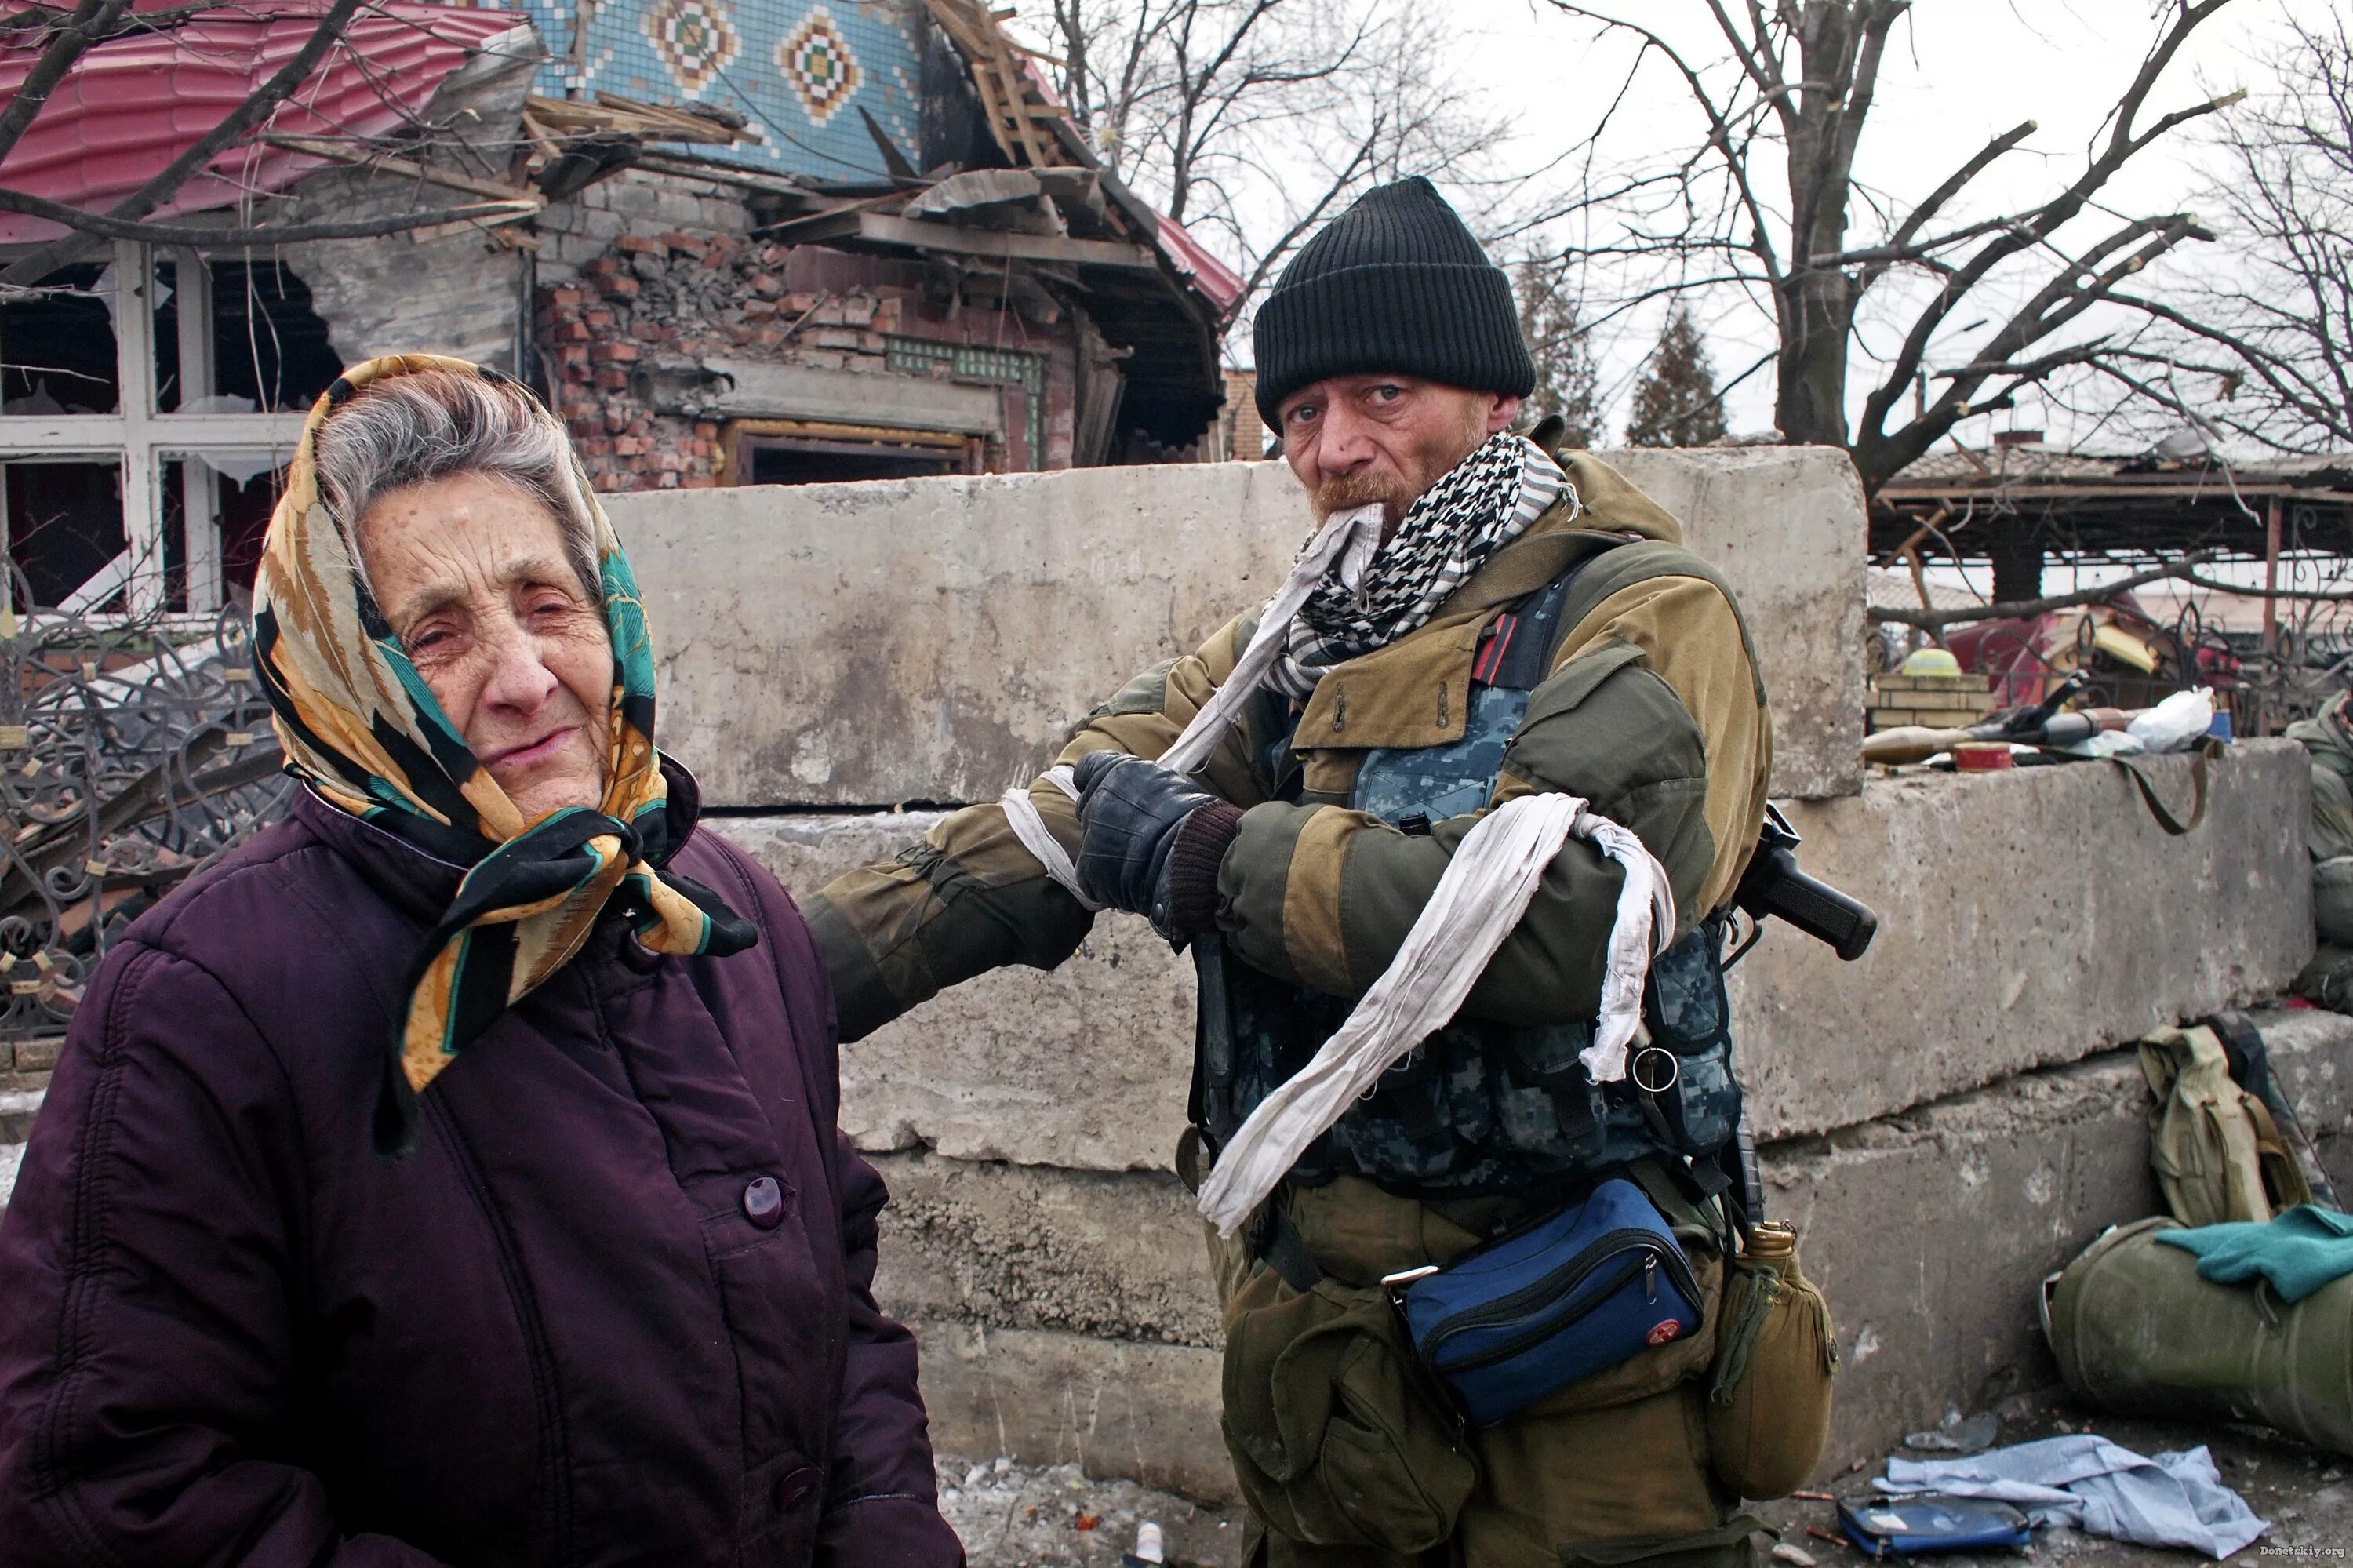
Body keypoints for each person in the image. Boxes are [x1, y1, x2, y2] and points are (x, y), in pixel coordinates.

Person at [807, 178, 1832, 1566]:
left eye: (1383, 394)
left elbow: (1566, 926)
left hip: (1584, 1379)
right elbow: (1050, 830)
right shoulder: (1289, 649)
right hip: (1340, 1373)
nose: (1336, 448)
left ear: (1494, 401)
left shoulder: (1643, 611)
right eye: (1299, 415)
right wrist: (736, 991)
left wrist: (1209, 855)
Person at [0, 355, 964, 1568]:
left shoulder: (710, 906)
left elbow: (839, 1298)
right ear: (344, 671)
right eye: (436, 634)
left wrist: (884, 1537)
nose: (523, 678)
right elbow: (116, 1489)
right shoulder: (204, 1006)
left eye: (549, 603)